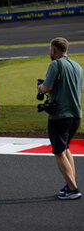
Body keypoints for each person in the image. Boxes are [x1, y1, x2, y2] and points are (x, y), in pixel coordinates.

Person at [38, 37, 83, 200]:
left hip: (60, 115)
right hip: (76, 114)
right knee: (65, 148)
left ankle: (73, 188)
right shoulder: (77, 66)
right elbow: (80, 88)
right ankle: (70, 183)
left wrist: (40, 88)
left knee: (58, 151)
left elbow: (47, 87)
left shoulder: (55, 64)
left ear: (54, 50)